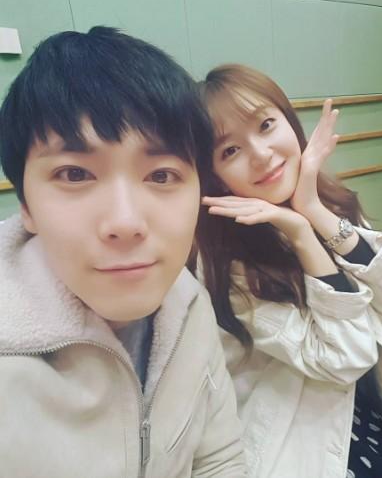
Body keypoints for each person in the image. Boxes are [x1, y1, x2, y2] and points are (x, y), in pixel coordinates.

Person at [0, 28, 247, 478]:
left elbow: (220, 458)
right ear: (26, 206)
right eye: (75, 174)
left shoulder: (188, 301)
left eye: (161, 175)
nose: (125, 221)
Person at [196, 63, 382, 478]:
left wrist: (314, 213)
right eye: (230, 151)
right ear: (214, 177)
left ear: (290, 121)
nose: (261, 154)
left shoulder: (321, 201)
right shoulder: (225, 263)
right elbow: (346, 357)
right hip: (297, 431)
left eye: (266, 125)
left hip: (357, 402)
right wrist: (303, 235)